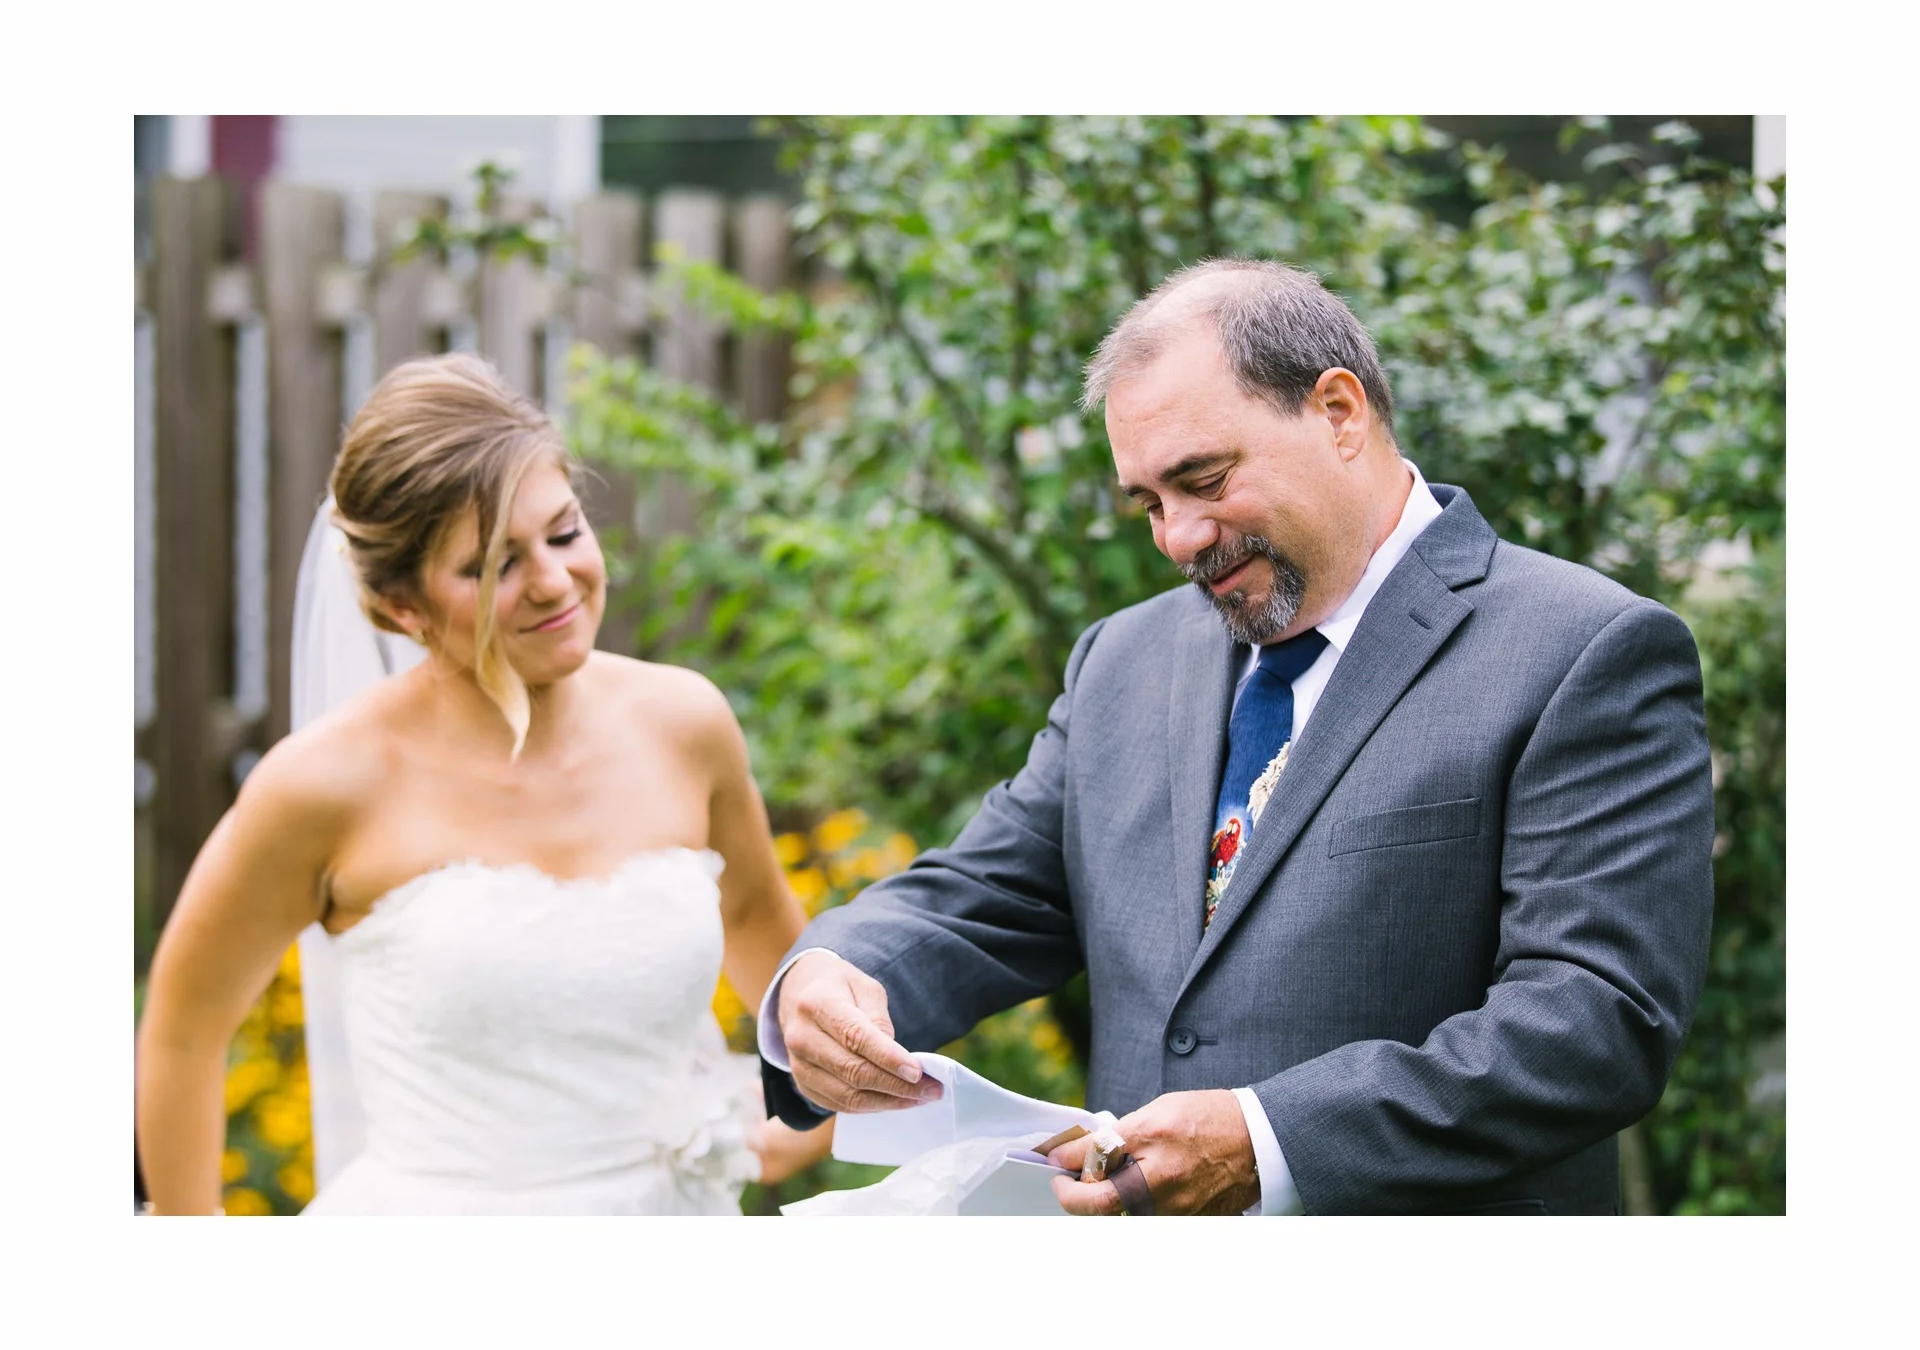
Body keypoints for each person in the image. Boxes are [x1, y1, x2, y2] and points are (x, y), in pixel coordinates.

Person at [759, 259, 1715, 1215]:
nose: (1177, 537)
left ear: (1339, 413)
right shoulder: (1122, 659)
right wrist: (835, 970)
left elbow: (1594, 1021)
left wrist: (1267, 1141)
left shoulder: (1583, 650)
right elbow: (994, 891)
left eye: (1204, 480)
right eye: (1149, 503)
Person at [136, 353, 831, 1215]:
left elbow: (760, 923)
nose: (553, 581)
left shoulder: (686, 723)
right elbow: (183, 1034)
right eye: (494, 565)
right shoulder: (322, 786)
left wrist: (813, 1110)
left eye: (564, 532)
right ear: (402, 606)